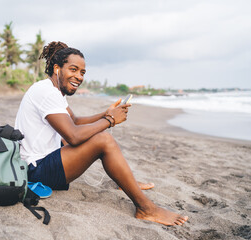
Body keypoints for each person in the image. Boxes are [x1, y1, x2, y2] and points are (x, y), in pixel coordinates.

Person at [15, 41, 188, 226]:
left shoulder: (52, 91)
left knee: (96, 136)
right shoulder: (46, 93)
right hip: (35, 170)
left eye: (82, 72)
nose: (79, 77)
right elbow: (73, 135)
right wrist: (110, 121)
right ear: (57, 68)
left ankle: (126, 182)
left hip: (40, 160)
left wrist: (106, 114)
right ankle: (146, 209)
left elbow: (74, 121)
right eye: (73, 70)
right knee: (104, 140)